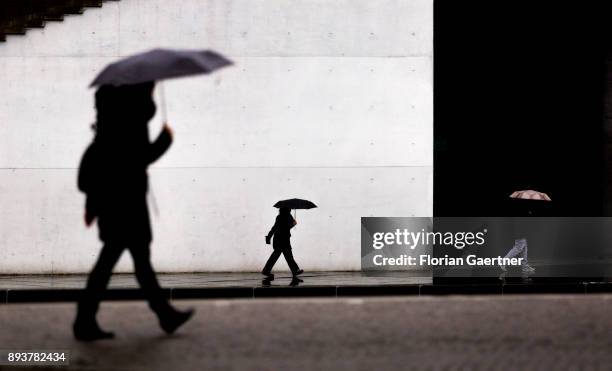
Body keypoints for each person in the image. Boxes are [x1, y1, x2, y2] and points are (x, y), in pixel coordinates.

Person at [74, 82, 193, 341]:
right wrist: (165, 140)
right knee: (120, 263)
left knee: (131, 263)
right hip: (127, 206)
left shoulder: (112, 123)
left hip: (117, 206)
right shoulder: (128, 124)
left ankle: (163, 315)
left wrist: (92, 206)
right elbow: (138, 158)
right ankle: (85, 319)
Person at [262, 207, 304, 279]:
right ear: (287, 210)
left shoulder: (279, 217)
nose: (290, 209)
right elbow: (285, 228)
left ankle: (266, 270)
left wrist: (269, 236)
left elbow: (275, 228)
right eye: (289, 209)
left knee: (282, 256)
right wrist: (293, 224)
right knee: (287, 256)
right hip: (283, 240)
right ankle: (295, 270)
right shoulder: (287, 216)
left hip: (279, 240)